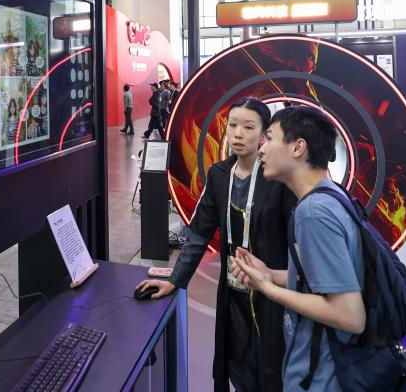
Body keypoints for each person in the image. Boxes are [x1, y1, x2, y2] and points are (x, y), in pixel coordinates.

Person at [134, 98, 296, 392]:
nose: (238, 134)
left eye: (249, 127)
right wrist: (175, 280)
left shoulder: (277, 178)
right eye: (232, 125)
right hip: (233, 292)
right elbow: (198, 234)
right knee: (236, 362)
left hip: (272, 294)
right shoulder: (220, 174)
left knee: (274, 370)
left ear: (264, 134)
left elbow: (296, 241)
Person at [230, 106, 365, 392]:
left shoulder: (313, 212)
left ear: (298, 148)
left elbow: (350, 316)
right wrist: (271, 274)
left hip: (322, 374)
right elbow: (322, 281)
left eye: (269, 138)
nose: (261, 150)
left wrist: (267, 289)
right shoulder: (331, 196)